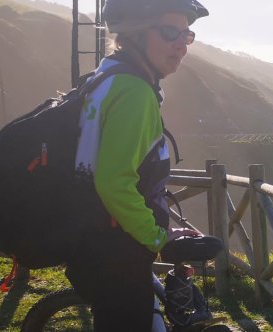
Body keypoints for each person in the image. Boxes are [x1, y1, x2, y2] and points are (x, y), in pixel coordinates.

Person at [66, 0, 209, 330]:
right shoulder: (134, 93)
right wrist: (159, 238)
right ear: (134, 34)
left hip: (98, 239)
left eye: (186, 34)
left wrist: (162, 228)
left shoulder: (105, 76)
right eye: (168, 31)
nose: (180, 44)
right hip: (119, 251)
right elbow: (114, 182)